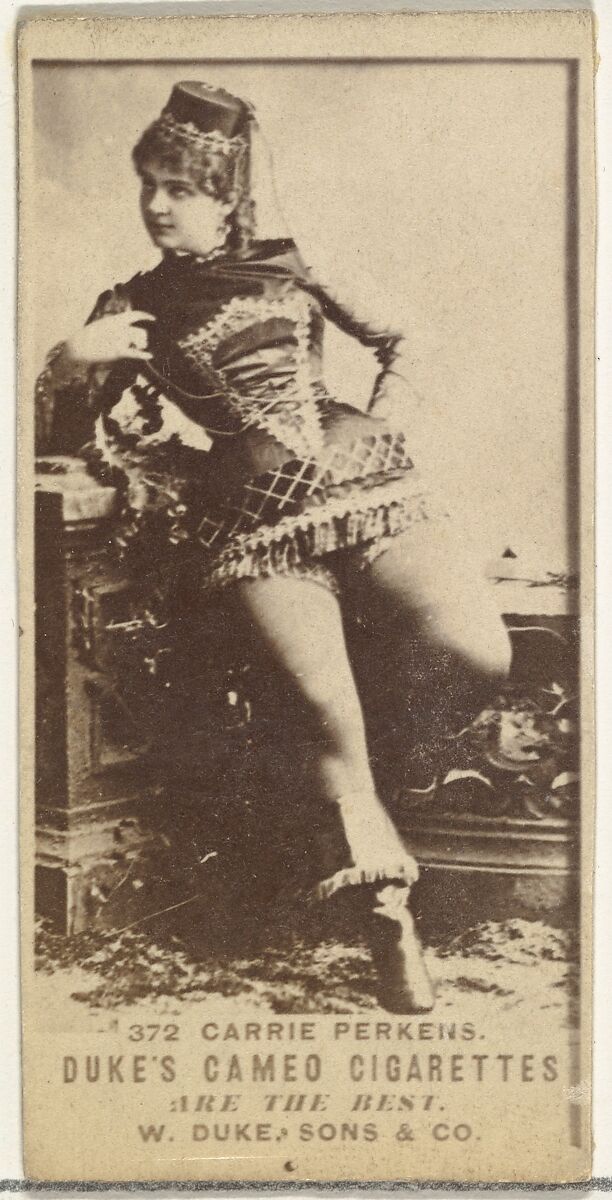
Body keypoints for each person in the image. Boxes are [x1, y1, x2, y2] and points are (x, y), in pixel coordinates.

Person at [36, 81, 512, 1013]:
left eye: (179, 187)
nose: (157, 205)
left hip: (372, 488)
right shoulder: (133, 304)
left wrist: (378, 425)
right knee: (327, 716)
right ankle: (390, 924)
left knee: (477, 651)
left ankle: (362, 789)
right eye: (148, 185)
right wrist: (73, 357)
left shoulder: (293, 265)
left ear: (226, 194)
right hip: (252, 526)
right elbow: (61, 434)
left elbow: (404, 336)